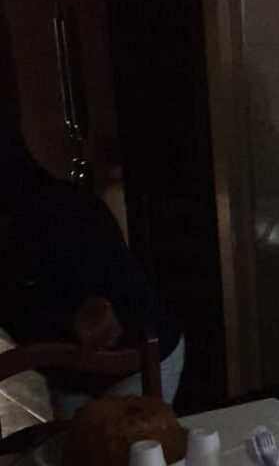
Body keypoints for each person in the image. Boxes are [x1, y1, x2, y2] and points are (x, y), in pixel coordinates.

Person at [0, 135, 184, 419]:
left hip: (135, 356)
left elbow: (107, 317)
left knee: (123, 437)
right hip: (67, 370)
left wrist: (97, 313)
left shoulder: (66, 216)